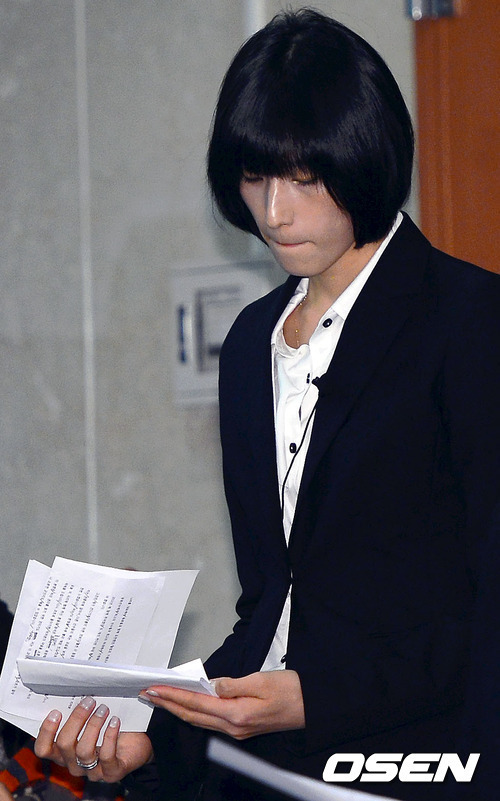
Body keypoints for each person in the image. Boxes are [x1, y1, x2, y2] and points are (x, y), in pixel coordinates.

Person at [34, 8, 500, 800]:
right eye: (256, 176)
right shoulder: (254, 341)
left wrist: (322, 695)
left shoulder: (468, 319)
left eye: (305, 179)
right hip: (279, 764)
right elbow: (271, 613)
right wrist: (151, 742)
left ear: (367, 155)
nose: (275, 212)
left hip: (430, 759)